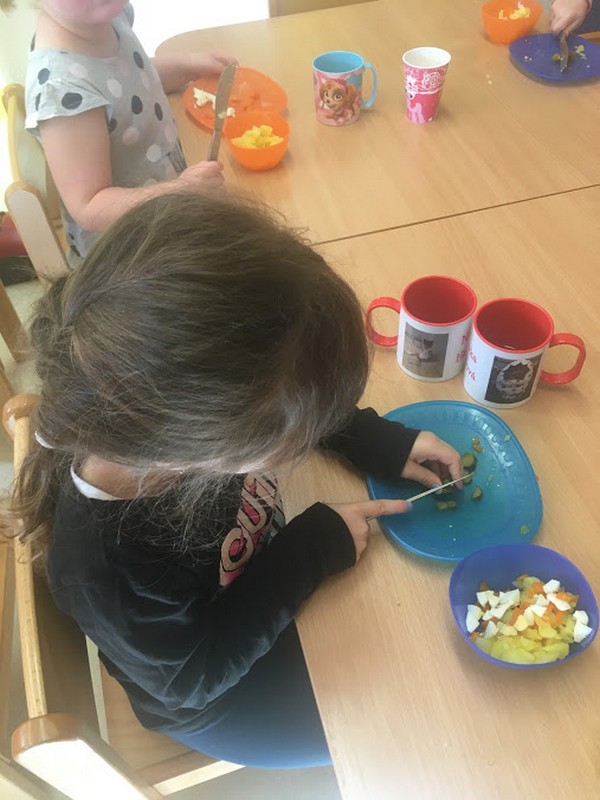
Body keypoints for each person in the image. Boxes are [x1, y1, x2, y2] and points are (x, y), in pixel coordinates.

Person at [13, 192, 462, 769]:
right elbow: (196, 679)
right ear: (211, 445)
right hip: (224, 694)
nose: (303, 435)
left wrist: (379, 441)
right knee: (413, 725)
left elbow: (278, 385)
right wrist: (307, 552)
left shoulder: (157, 418)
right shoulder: (110, 574)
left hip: (252, 596)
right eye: (294, 433)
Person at [4, 0, 235, 264]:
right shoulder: (62, 89)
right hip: (129, 253)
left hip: (167, 203)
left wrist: (187, 65)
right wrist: (180, 191)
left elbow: (128, 78)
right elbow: (90, 206)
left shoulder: (105, 18)